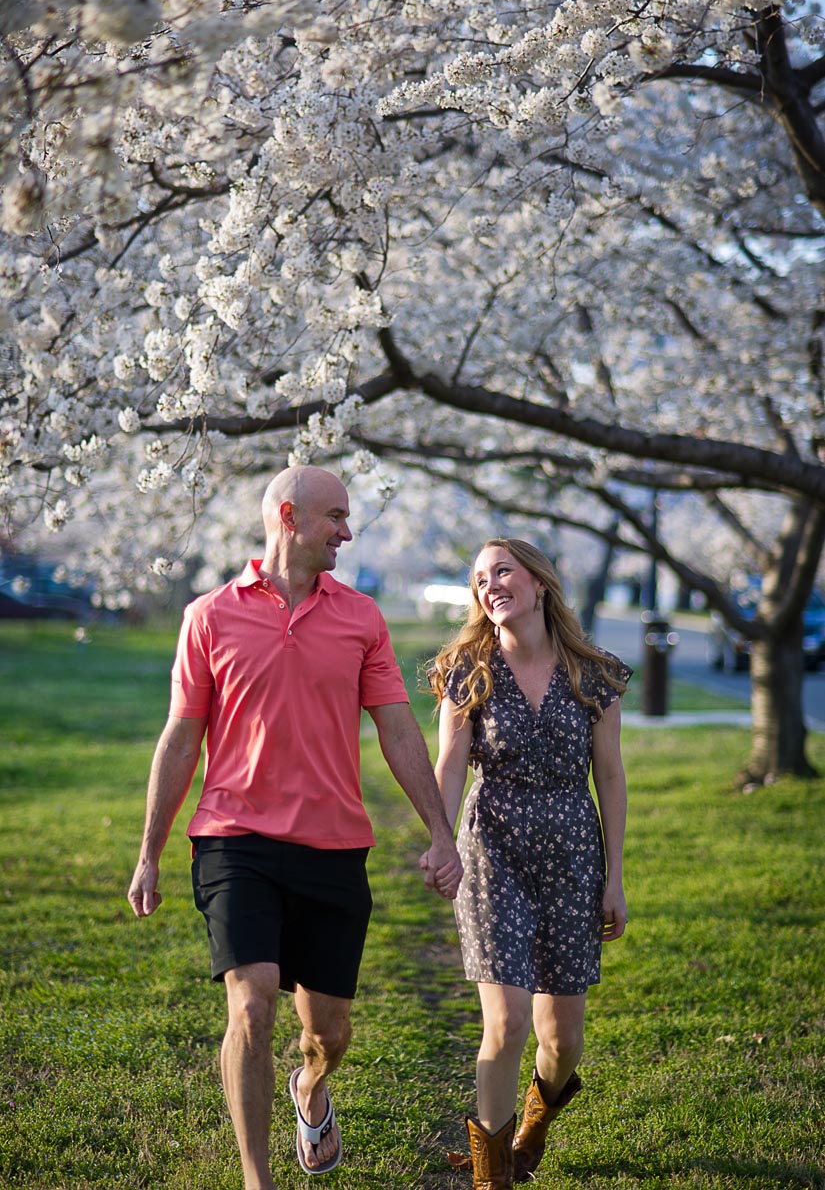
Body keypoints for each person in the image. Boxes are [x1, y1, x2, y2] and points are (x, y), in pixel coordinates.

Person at [127, 465, 462, 1190]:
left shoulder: (362, 617)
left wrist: (440, 831)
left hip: (334, 846)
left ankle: (310, 1087)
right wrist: (149, 853)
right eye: (335, 517)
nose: (346, 531)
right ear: (289, 516)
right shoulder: (208, 615)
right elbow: (180, 739)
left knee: (327, 1035)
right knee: (250, 1002)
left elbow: (399, 731)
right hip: (233, 838)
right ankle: (257, 1178)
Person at [429, 538, 630, 1190]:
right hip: (492, 855)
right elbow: (450, 768)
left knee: (559, 1036)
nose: (490, 585)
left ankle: (534, 1124)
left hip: (573, 860)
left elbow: (611, 776)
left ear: (538, 582)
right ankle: (492, 1175)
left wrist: (614, 878)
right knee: (508, 1018)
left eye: (502, 572)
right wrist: (438, 839)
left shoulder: (592, 673)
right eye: (479, 579)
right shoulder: (466, 670)